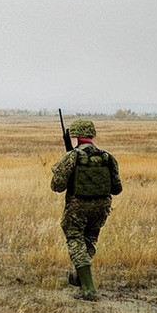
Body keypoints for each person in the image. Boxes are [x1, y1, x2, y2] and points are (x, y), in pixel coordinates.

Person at [51, 118, 122, 301]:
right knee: (89, 239)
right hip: (102, 207)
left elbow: (57, 186)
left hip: (78, 206)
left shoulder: (73, 156)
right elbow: (117, 189)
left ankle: (89, 289)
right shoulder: (108, 157)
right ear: (91, 135)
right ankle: (79, 275)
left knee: (75, 239)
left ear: (76, 137)